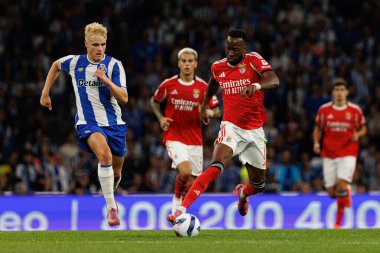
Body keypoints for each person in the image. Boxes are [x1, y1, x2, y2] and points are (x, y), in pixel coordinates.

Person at [167, 29, 279, 223]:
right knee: (216, 164)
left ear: (244, 48)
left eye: (235, 49)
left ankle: (243, 194)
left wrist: (257, 85)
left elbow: (274, 80)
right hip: (231, 127)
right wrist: (203, 107)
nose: (231, 53)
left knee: (258, 185)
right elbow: (212, 84)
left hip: (254, 131)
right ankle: (181, 209)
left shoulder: (253, 60)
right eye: (228, 48)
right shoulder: (218, 67)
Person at [40, 22, 128, 227]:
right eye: (95, 44)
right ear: (86, 43)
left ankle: (109, 192)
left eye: (103, 45)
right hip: (88, 123)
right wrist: (45, 92)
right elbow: (55, 65)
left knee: (116, 173)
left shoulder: (115, 65)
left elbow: (124, 98)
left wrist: (106, 81)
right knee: (104, 155)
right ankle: (111, 208)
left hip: (115, 124)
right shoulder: (75, 62)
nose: (99, 49)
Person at [150, 47, 221, 213]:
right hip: (174, 136)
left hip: (195, 139)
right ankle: (176, 203)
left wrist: (207, 112)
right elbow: (154, 102)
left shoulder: (203, 87)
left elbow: (217, 111)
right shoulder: (168, 84)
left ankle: (180, 213)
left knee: (192, 182)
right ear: (178, 64)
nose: (187, 64)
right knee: (185, 171)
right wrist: (160, 117)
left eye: (190, 61)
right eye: (184, 61)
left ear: (195, 64)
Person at [313, 78, 366, 229]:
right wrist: (316, 143)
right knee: (331, 192)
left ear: (347, 92)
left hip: (348, 152)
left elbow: (363, 128)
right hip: (329, 153)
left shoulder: (355, 110)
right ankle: (346, 192)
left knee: (341, 185)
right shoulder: (324, 110)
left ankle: (338, 223)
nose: (339, 93)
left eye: (342, 90)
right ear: (332, 93)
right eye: (336, 90)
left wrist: (358, 135)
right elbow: (318, 129)